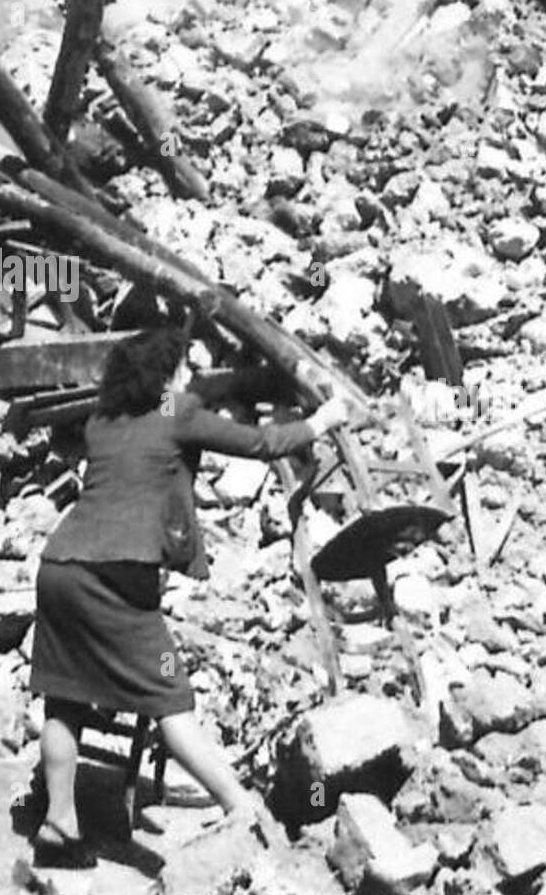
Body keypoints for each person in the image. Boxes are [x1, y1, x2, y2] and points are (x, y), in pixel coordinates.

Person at [26, 327, 351, 867]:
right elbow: (262, 445)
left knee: (65, 696)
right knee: (170, 697)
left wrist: (237, 382)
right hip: (117, 575)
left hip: (59, 568)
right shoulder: (176, 413)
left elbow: (189, 399)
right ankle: (244, 812)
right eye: (180, 369)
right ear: (167, 377)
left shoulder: (101, 422)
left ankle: (60, 822)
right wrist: (322, 420)